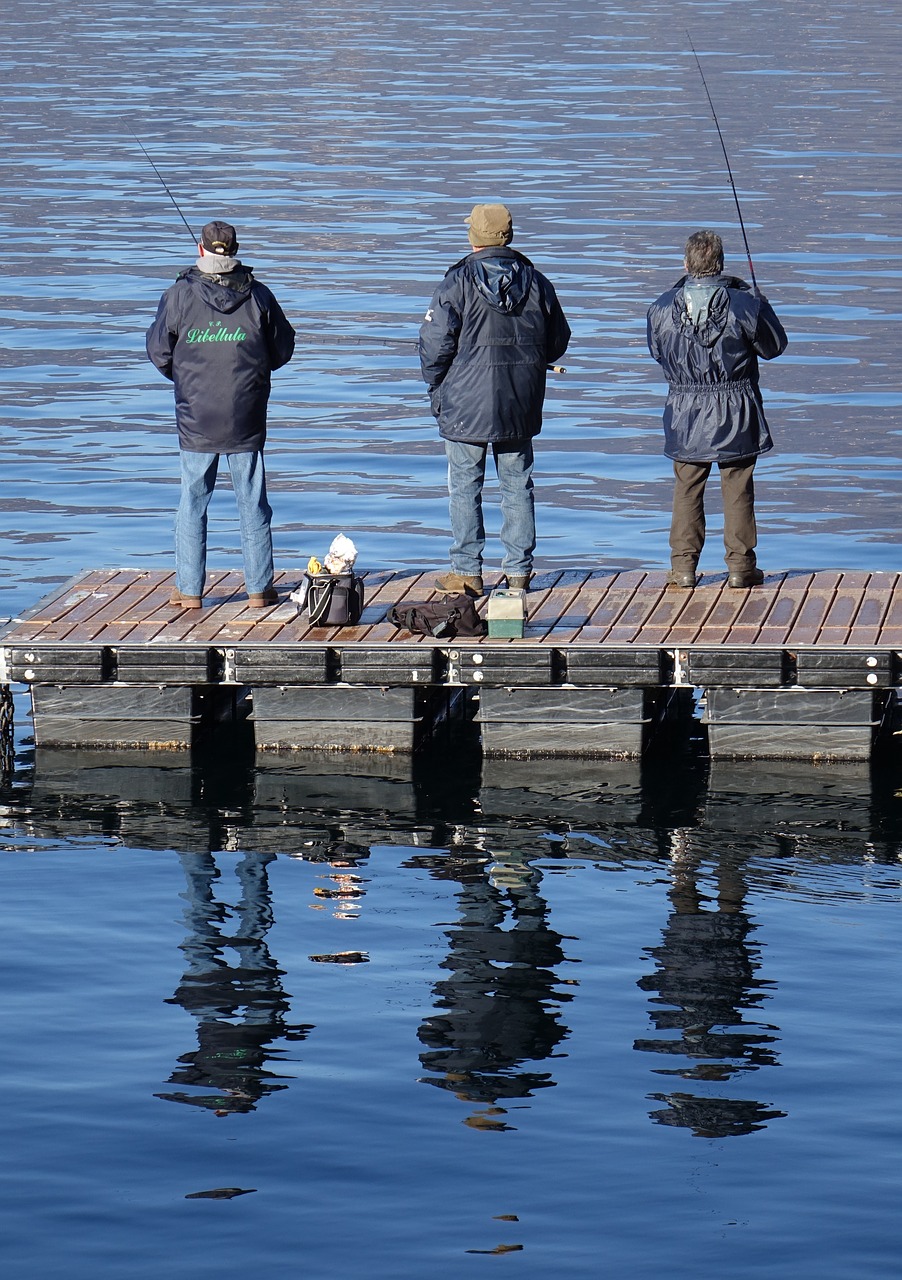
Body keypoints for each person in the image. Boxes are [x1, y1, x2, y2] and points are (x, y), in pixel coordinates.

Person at [419, 203, 570, 597]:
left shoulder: (456, 283)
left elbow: (433, 348)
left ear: (475, 238)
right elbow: (558, 342)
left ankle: (467, 572)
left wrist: (437, 390)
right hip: (519, 402)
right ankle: (519, 572)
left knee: (465, 486)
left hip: (465, 404)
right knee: (517, 485)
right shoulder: (538, 283)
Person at [146, 220, 296, 609]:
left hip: (196, 415)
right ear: (234, 250)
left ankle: (190, 591)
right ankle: (259, 589)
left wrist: (185, 379)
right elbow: (282, 350)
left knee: (193, 502)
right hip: (245, 413)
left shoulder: (179, 295)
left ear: (201, 250)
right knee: (252, 501)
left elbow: (159, 352)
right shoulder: (259, 295)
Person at [646, 229, 787, 589]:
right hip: (736, 408)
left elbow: (658, 353)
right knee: (737, 487)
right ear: (720, 264)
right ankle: (740, 567)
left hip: (685, 409)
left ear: (687, 264)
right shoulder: (745, 305)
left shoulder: (661, 308)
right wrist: (763, 307)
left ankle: (683, 568)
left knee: (687, 487)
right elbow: (775, 347)